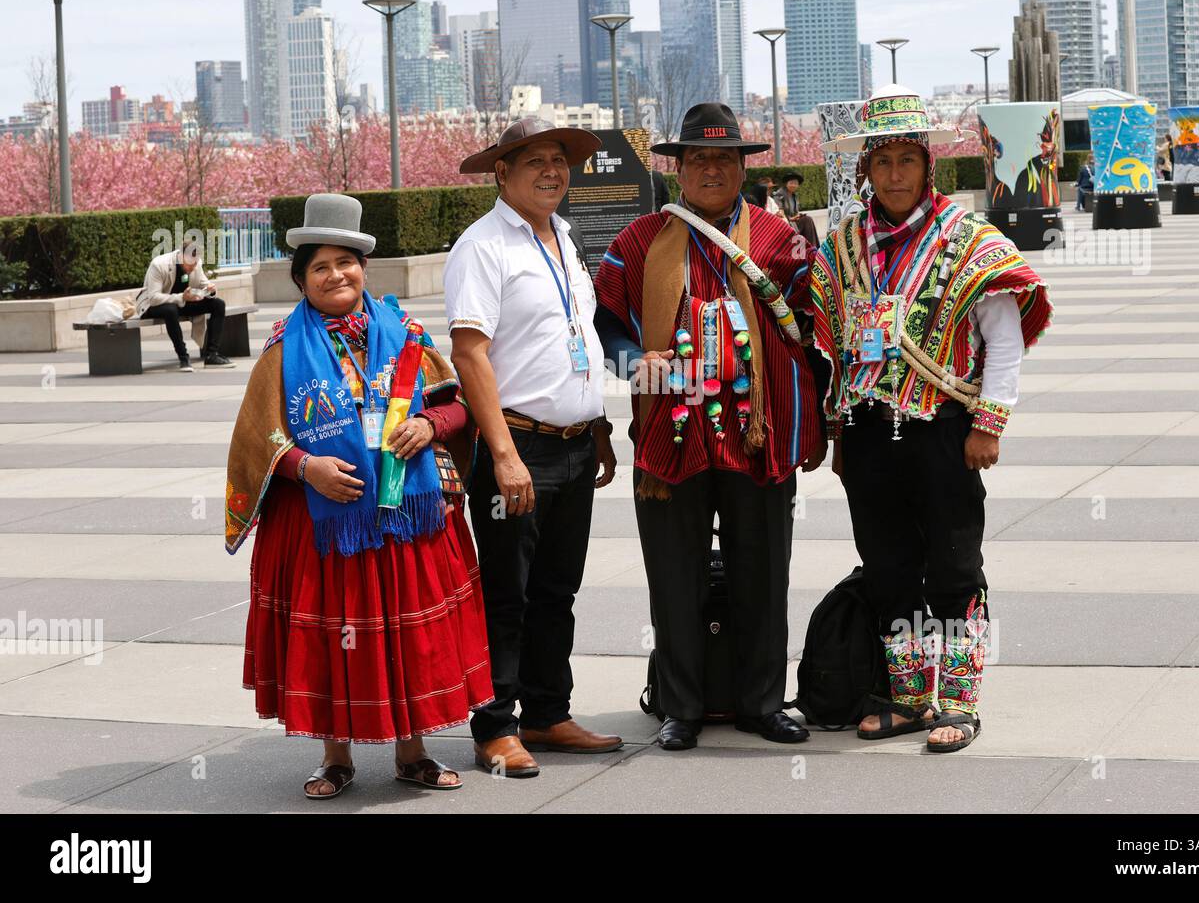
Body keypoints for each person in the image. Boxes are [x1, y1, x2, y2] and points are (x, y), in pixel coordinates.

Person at [808, 85, 1054, 753]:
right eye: (881, 160)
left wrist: (989, 422)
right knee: (887, 564)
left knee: (952, 563)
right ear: (865, 168)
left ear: (927, 167)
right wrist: (836, 433)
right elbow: (828, 338)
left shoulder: (970, 240)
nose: (893, 174)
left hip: (944, 427)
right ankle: (908, 695)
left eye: (905, 160)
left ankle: (960, 700)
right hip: (867, 431)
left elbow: (1003, 337)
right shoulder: (843, 246)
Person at [225, 193, 493, 799]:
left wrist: (430, 426)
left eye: (345, 262)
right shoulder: (282, 350)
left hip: (406, 514)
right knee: (334, 633)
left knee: (403, 632)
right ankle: (335, 756)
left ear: (363, 268)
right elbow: (257, 436)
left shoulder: (406, 335)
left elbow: (457, 402)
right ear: (301, 280)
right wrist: (305, 465)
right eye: (320, 267)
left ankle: (414, 751)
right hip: (325, 521)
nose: (335, 275)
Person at [594, 102, 826, 752]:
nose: (712, 170)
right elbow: (606, 325)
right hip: (670, 440)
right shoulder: (637, 242)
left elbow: (815, 330)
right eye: (699, 159)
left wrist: (810, 427)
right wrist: (637, 364)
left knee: (763, 573)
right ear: (678, 169)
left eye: (724, 158)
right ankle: (680, 707)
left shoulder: (782, 243)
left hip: (759, 438)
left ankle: (761, 703)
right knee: (675, 578)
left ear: (742, 166)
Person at [446, 118, 622, 778]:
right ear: (503, 171)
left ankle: (548, 713)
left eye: (559, 160)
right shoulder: (484, 245)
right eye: (535, 161)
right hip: (517, 444)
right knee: (506, 592)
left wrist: (596, 421)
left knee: (556, 590)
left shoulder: (562, 237)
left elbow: (571, 340)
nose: (552, 171)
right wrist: (503, 453)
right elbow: (470, 351)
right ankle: (495, 726)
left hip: (574, 445)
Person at [136, 243, 233, 371]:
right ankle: (184, 358)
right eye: (190, 264)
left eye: (195, 263)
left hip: (182, 302)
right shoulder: (159, 264)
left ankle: (211, 355)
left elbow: (204, 283)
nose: (193, 267)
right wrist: (181, 297)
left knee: (218, 304)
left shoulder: (195, 264)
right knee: (170, 310)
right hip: (152, 305)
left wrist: (210, 290)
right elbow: (154, 298)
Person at [772, 171, 821, 249]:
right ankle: (812, 248)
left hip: (793, 221)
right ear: (786, 183)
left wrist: (798, 216)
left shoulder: (794, 196)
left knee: (807, 219)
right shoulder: (779, 194)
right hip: (785, 222)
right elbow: (779, 212)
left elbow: (795, 212)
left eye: (796, 183)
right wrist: (791, 219)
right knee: (807, 221)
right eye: (791, 183)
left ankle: (813, 247)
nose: (793, 185)